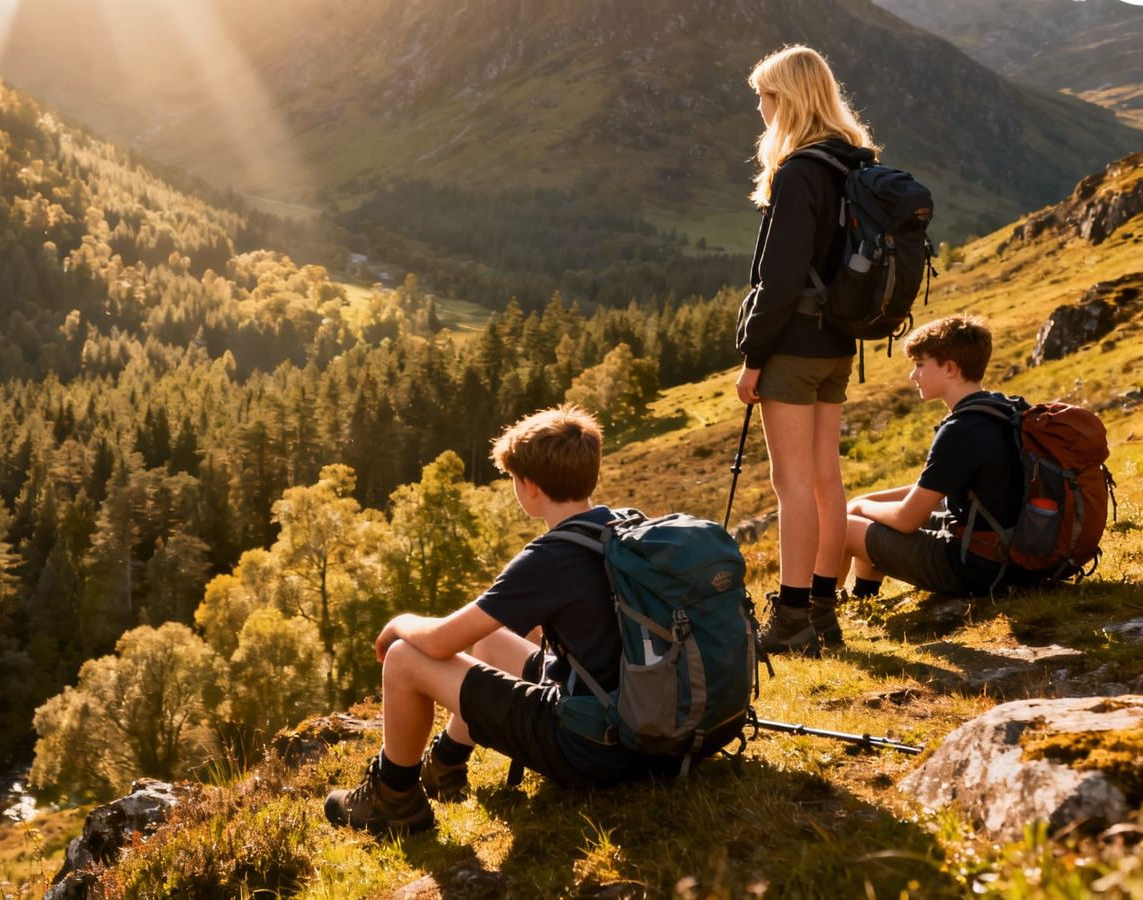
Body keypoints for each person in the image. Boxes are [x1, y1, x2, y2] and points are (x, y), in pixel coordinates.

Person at [322, 404, 675, 834]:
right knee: (493, 642)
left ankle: (393, 798)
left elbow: (437, 644)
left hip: (595, 748)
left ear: (528, 487)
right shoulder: (623, 528)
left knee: (403, 657)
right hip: (654, 725)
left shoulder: (549, 558)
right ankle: (445, 765)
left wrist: (400, 621)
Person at [733, 45, 879, 655]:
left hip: (793, 346)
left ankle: (791, 618)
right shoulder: (855, 161)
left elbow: (779, 279)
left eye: (765, 97)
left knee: (790, 484)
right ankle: (824, 607)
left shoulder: (797, 172)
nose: (761, 109)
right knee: (826, 478)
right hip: (838, 343)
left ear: (787, 100)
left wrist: (753, 357)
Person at [841, 315, 1051, 598]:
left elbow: (907, 519)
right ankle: (863, 598)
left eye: (919, 365)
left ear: (950, 368)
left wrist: (862, 507)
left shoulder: (960, 430)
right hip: (1017, 555)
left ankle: (820, 610)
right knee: (858, 508)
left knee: (841, 528)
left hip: (978, 568)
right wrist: (859, 503)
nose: (913, 376)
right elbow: (937, 490)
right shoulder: (1004, 409)